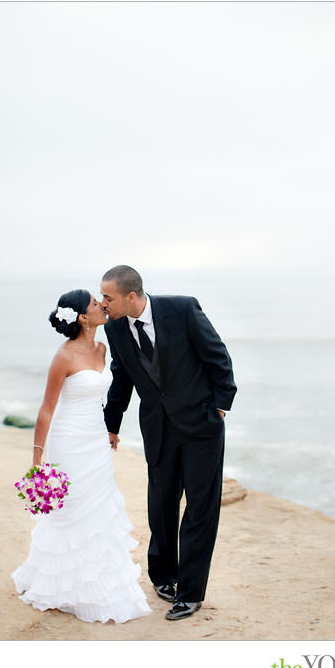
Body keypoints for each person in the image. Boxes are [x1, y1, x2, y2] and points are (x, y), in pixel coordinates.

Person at [100, 265, 236, 620]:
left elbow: (217, 356)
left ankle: (190, 592)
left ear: (131, 296)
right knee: (160, 504)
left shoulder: (183, 308)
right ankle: (164, 576)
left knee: (200, 509)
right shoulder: (115, 328)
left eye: (108, 297)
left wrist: (221, 406)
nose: (103, 304)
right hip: (158, 428)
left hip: (201, 425)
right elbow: (121, 377)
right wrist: (110, 425)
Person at [11, 289, 152, 623]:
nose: (102, 305)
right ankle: (63, 586)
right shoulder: (64, 356)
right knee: (71, 512)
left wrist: (110, 429)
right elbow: (46, 411)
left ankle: (97, 582)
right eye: (94, 303)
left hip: (96, 441)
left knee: (101, 508)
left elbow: (102, 395)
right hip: (68, 442)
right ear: (83, 318)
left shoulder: (103, 347)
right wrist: (37, 462)